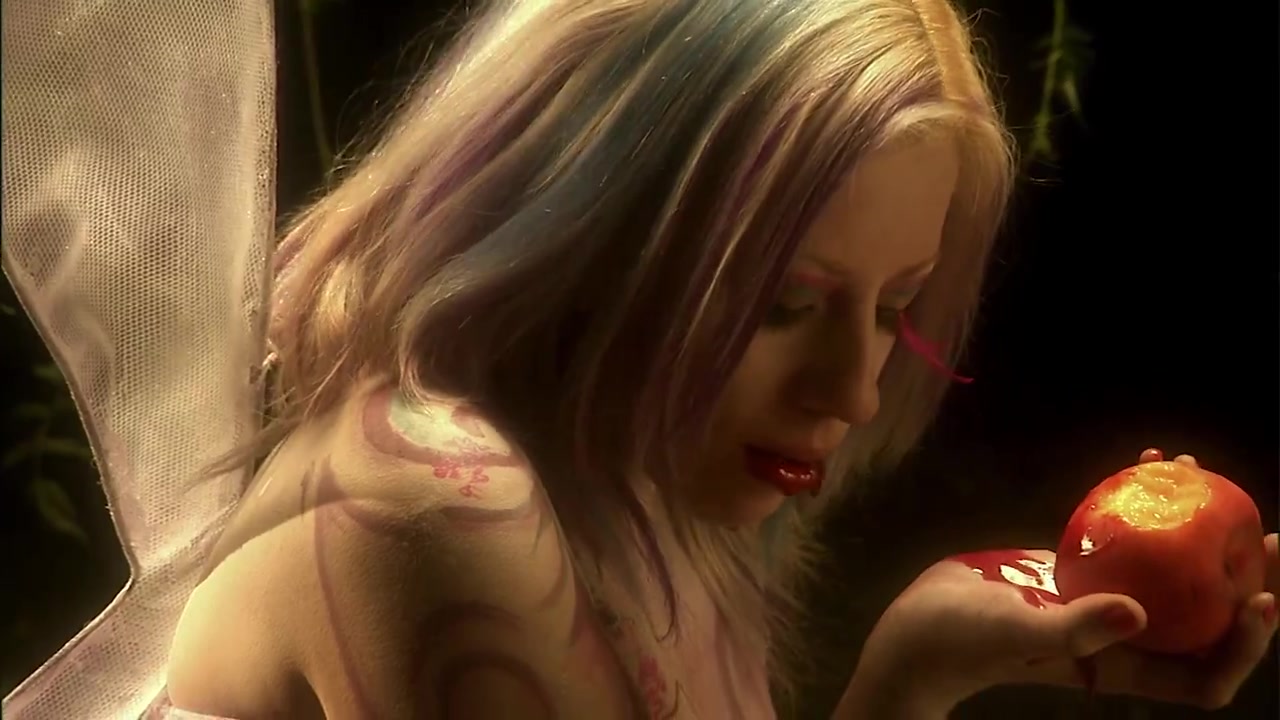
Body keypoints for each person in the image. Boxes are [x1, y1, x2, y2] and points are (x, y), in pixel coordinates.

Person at [153, 0, 1279, 717]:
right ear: (589, 235)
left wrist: (917, 674)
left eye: (892, 310)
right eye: (783, 304)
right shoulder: (439, 503)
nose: (854, 391)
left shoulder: (634, 493)